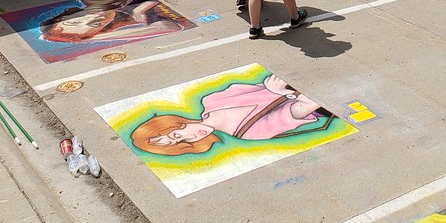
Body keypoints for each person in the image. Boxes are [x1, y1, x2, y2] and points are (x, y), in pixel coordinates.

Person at [130, 72, 327, 155]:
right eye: (183, 142)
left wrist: (274, 88)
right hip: (316, 83)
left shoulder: (211, 100)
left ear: (177, 123)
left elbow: (263, 84)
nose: (192, 137)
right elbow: (311, 104)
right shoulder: (249, 133)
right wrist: (282, 93)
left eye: (176, 134)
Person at [39, 0, 188, 45]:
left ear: (64, 17)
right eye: (96, 24)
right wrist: (93, 38)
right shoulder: (131, 16)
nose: (92, 18)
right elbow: (169, 27)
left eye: (75, 21)